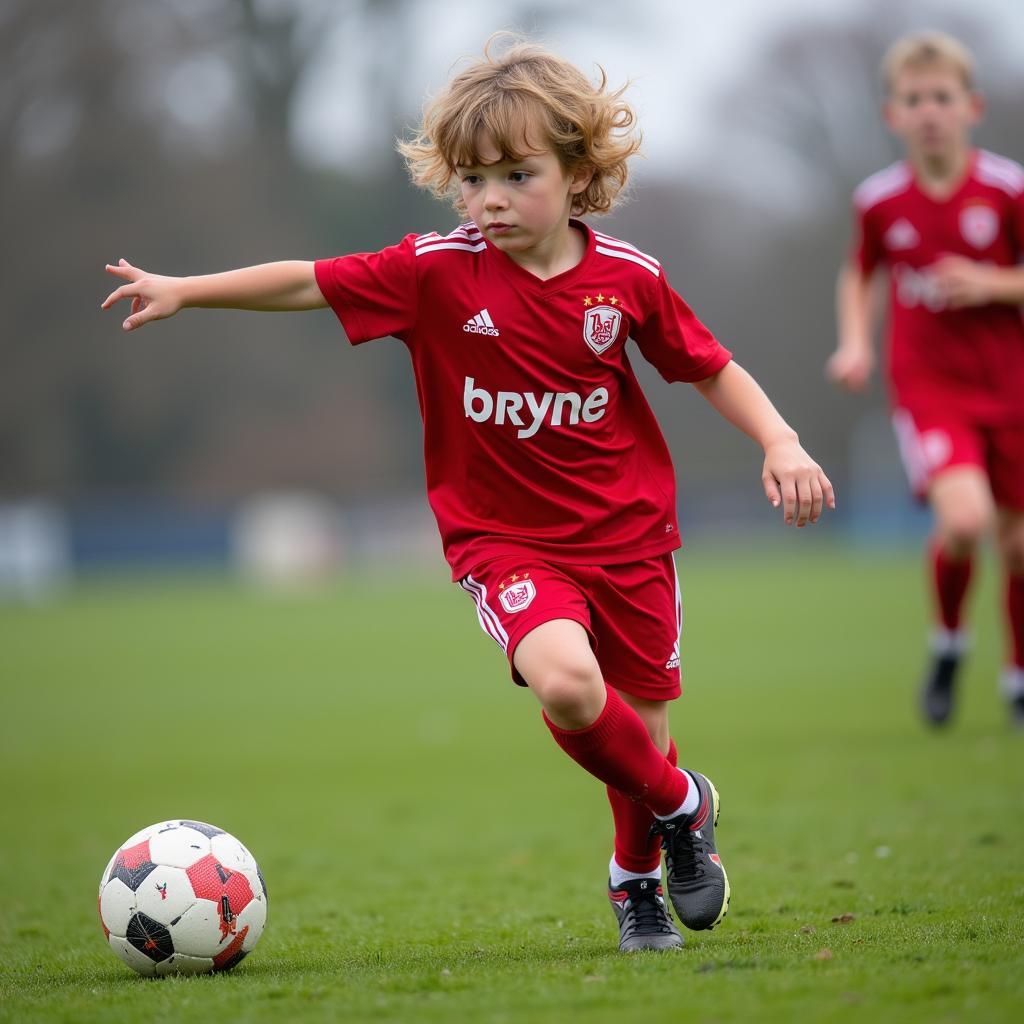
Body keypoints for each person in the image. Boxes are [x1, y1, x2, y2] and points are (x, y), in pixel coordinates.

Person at [103, 37, 834, 952]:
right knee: (570, 687)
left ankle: (636, 878)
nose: (490, 199)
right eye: (472, 179)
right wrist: (185, 290)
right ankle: (686, 805)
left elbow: (709, 366)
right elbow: (308, 281)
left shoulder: (629, 280)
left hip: (632, 538)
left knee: (638, 735)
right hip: (505, 542)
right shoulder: (436, 271)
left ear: (578, 173)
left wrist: (782, 439)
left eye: (517, 175)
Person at [828, 31, 1024, 728]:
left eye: (942, 97)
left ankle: (1016, 676)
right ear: (894, 116)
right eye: (914, 99)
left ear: (970, 106)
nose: (929, 111)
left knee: (1018, 543)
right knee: (964, 520)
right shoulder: (879, 201)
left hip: (1011, 385)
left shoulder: (1007, 189)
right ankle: (948, 646)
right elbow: (861, 272)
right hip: (930, 387)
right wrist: (856, 344)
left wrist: (992, 282)